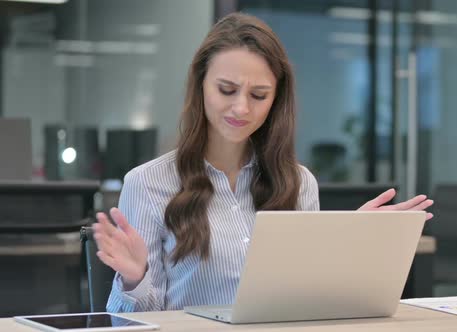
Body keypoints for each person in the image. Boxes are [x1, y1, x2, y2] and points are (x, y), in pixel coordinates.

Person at [93, 12, 434, 313]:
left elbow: (309, 299)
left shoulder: (299, 183)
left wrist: (344, 243)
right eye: (226, 90)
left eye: (259, 95)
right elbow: (131, 322)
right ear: (200, 86)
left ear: (276, 100)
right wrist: (135, 278)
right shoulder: (148, 183)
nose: (242, 108)